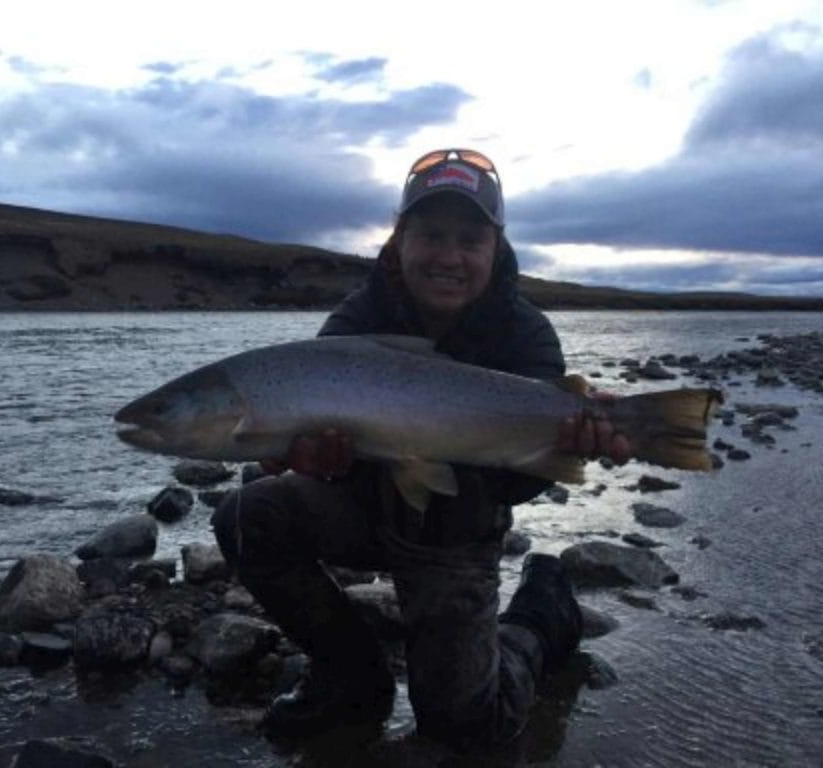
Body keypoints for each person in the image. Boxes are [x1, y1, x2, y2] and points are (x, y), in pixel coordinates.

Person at [211, 148, 629, 751]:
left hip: (455, 533)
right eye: (431, 235)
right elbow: (322, 458)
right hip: (366, 510)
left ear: (496, 248)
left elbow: (518, 482)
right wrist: (322, 465)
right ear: (399, 240)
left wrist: (570, 444)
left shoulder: (526, 334)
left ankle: (540, 619)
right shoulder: (357, 320)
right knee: (249, 516)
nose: (449, 257)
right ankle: (351, 680)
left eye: (469, 240)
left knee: (469, 730)